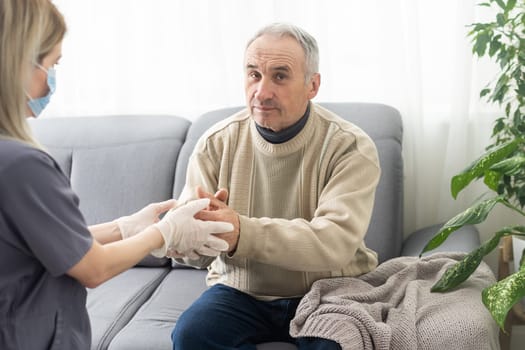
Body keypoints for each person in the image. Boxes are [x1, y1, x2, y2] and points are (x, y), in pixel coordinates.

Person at [0, 1, 233, 349]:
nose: (51, 83)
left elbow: (37, 243)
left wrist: (123, 227)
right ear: (20, 60)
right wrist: (162, 233)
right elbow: (93, 269)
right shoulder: (23, 164)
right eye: (52, 65)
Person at [171, 23, 381, 349]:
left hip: (329, 290)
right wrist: (189, 237)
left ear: (313, 85)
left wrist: (241, 232)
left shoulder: (350, 146)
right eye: (254, 75)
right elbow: (192, 255)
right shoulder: (215, 143)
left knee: (339, 345)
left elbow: (335, 242)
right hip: (240, 290)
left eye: (280, 76)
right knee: (191, 335)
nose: (262, 91)